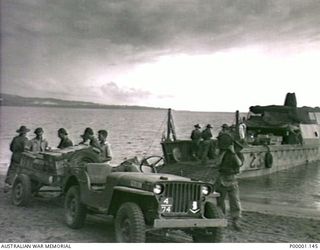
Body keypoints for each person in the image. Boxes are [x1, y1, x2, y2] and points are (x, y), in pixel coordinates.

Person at [215, 140, 244, 231]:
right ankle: (222, 218)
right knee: (220, 201)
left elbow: (239, 163)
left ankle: (236, 220)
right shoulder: (222, 153)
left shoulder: (239, 154)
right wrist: (223, 152)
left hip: (232, 179)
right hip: (222, 178)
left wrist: (233, 153)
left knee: (235, 201)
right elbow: (217, 163)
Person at [4, 126, 30, 190]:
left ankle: (8, 184)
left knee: (12, 170)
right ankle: (18, 185)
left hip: (14, 156)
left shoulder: (15, 138)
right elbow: (26, 150)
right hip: (21, 157)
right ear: (25, 133)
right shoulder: (25, 139)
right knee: (21, 171)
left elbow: (11, 148)